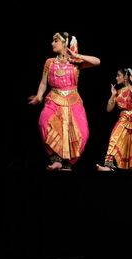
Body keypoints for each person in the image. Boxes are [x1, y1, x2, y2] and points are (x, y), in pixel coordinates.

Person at [28, 32, 101, 171]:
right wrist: (39, 96)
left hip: (73, 100)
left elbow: (97, 61)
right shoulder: (49, 62)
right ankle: (56, 159)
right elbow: (43, 83)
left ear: (64, 43)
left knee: (83, 133)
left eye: (55, 40)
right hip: (54, 99)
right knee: (43, 122)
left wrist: (77, 56)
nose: (52, 43)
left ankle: (69, 163)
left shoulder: (76, 62)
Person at [96, 68, 132, 171]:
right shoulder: (117, 92)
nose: (116, 77)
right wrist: (112, 95)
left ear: (125, 77)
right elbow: (108, 109)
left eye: (118, 75)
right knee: (114, 138)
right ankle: (108, 166)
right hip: (123, 118)